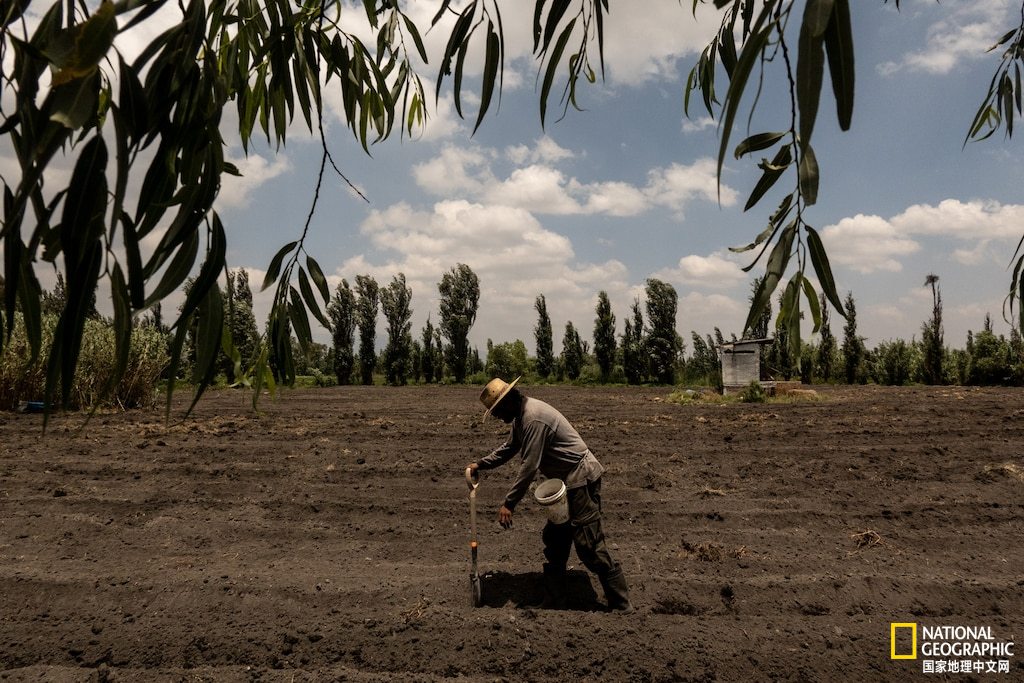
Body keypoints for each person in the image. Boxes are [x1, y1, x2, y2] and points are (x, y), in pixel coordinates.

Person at [466, 376, 634, 613]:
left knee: (588, 543)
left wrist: (509, 503)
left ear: (507, 402)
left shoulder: (533, 418)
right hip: (564, 483)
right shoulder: (520, 417)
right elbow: (510, 448)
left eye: (496, 410)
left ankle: (621, 603)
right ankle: (556, 599)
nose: (495, 416)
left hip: (581, 478)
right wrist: (481, 464)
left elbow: (529, 466)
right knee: (556, 540)